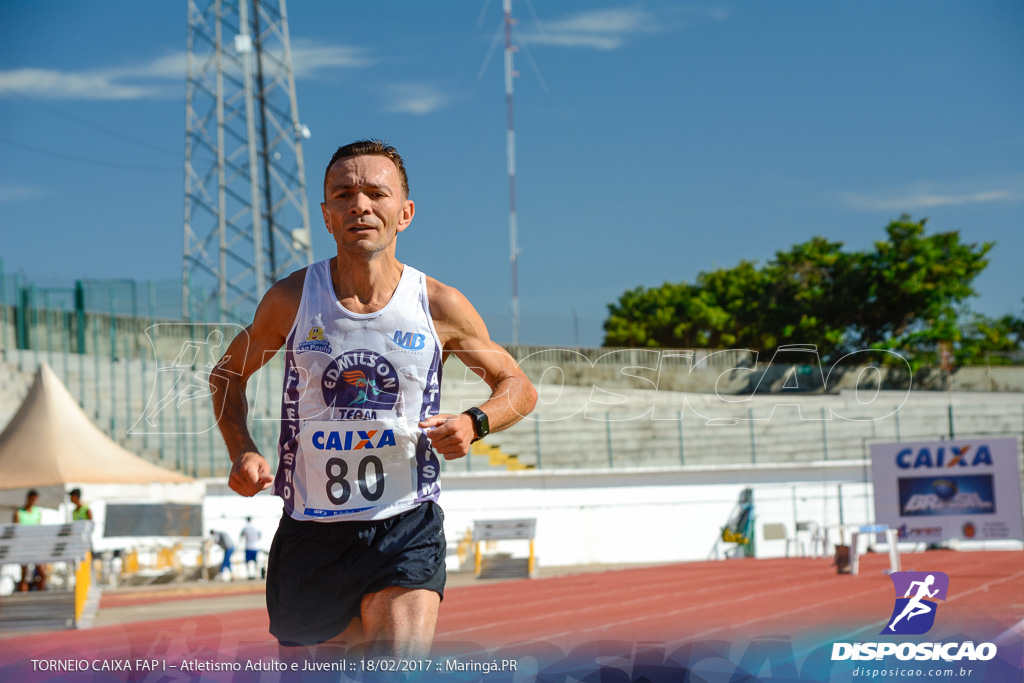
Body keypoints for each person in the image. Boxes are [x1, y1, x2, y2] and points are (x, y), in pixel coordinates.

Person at [210, 139, 537, 658]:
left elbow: (519, 387)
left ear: (404, 213)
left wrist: (477, 422)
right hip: (310, 530)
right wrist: (241, 449)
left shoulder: (438, 305)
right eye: (343, 194)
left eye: (375, 193)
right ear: (326, 214)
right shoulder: (291, 299)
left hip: (404, 525)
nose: (360, 205)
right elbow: (227, 374)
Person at [13, 489, 46, 591]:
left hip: (36, 546)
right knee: (24, 574)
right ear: (27, 499)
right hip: (23, 546)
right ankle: (22, 599)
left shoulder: (38, 512)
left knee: (42, 572)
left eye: (35, 500)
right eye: (31, 499)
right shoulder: (19, 512)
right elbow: (15, 530)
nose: (33, 502)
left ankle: (40, 597)